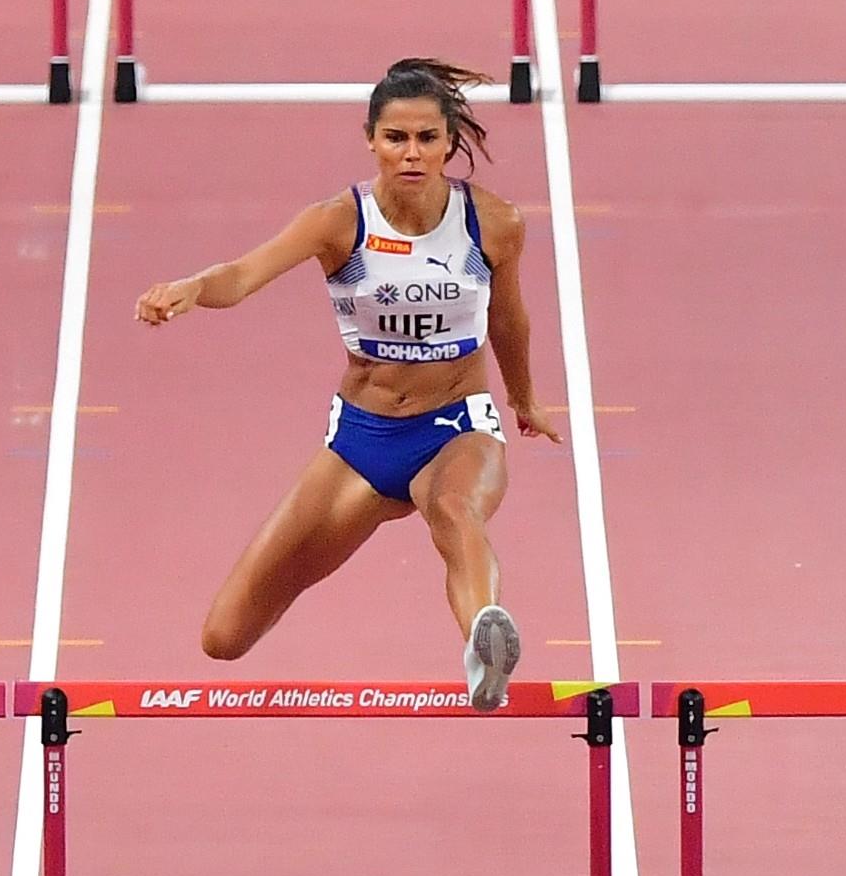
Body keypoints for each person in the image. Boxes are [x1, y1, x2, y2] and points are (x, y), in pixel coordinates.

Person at [133, 58, 558, 711]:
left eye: (425, 139)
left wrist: (523, 398)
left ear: (450, 143)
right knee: (224, 636)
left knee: (454, 510)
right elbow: (242, 276)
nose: (410, 153)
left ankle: (483, 646)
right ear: (371, 139)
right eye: (395, 138)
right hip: (361, 439)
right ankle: (455, 616)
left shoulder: (494, 222)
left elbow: (509, 317)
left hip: (456, 426)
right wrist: (192, 288)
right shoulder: (339, 221)